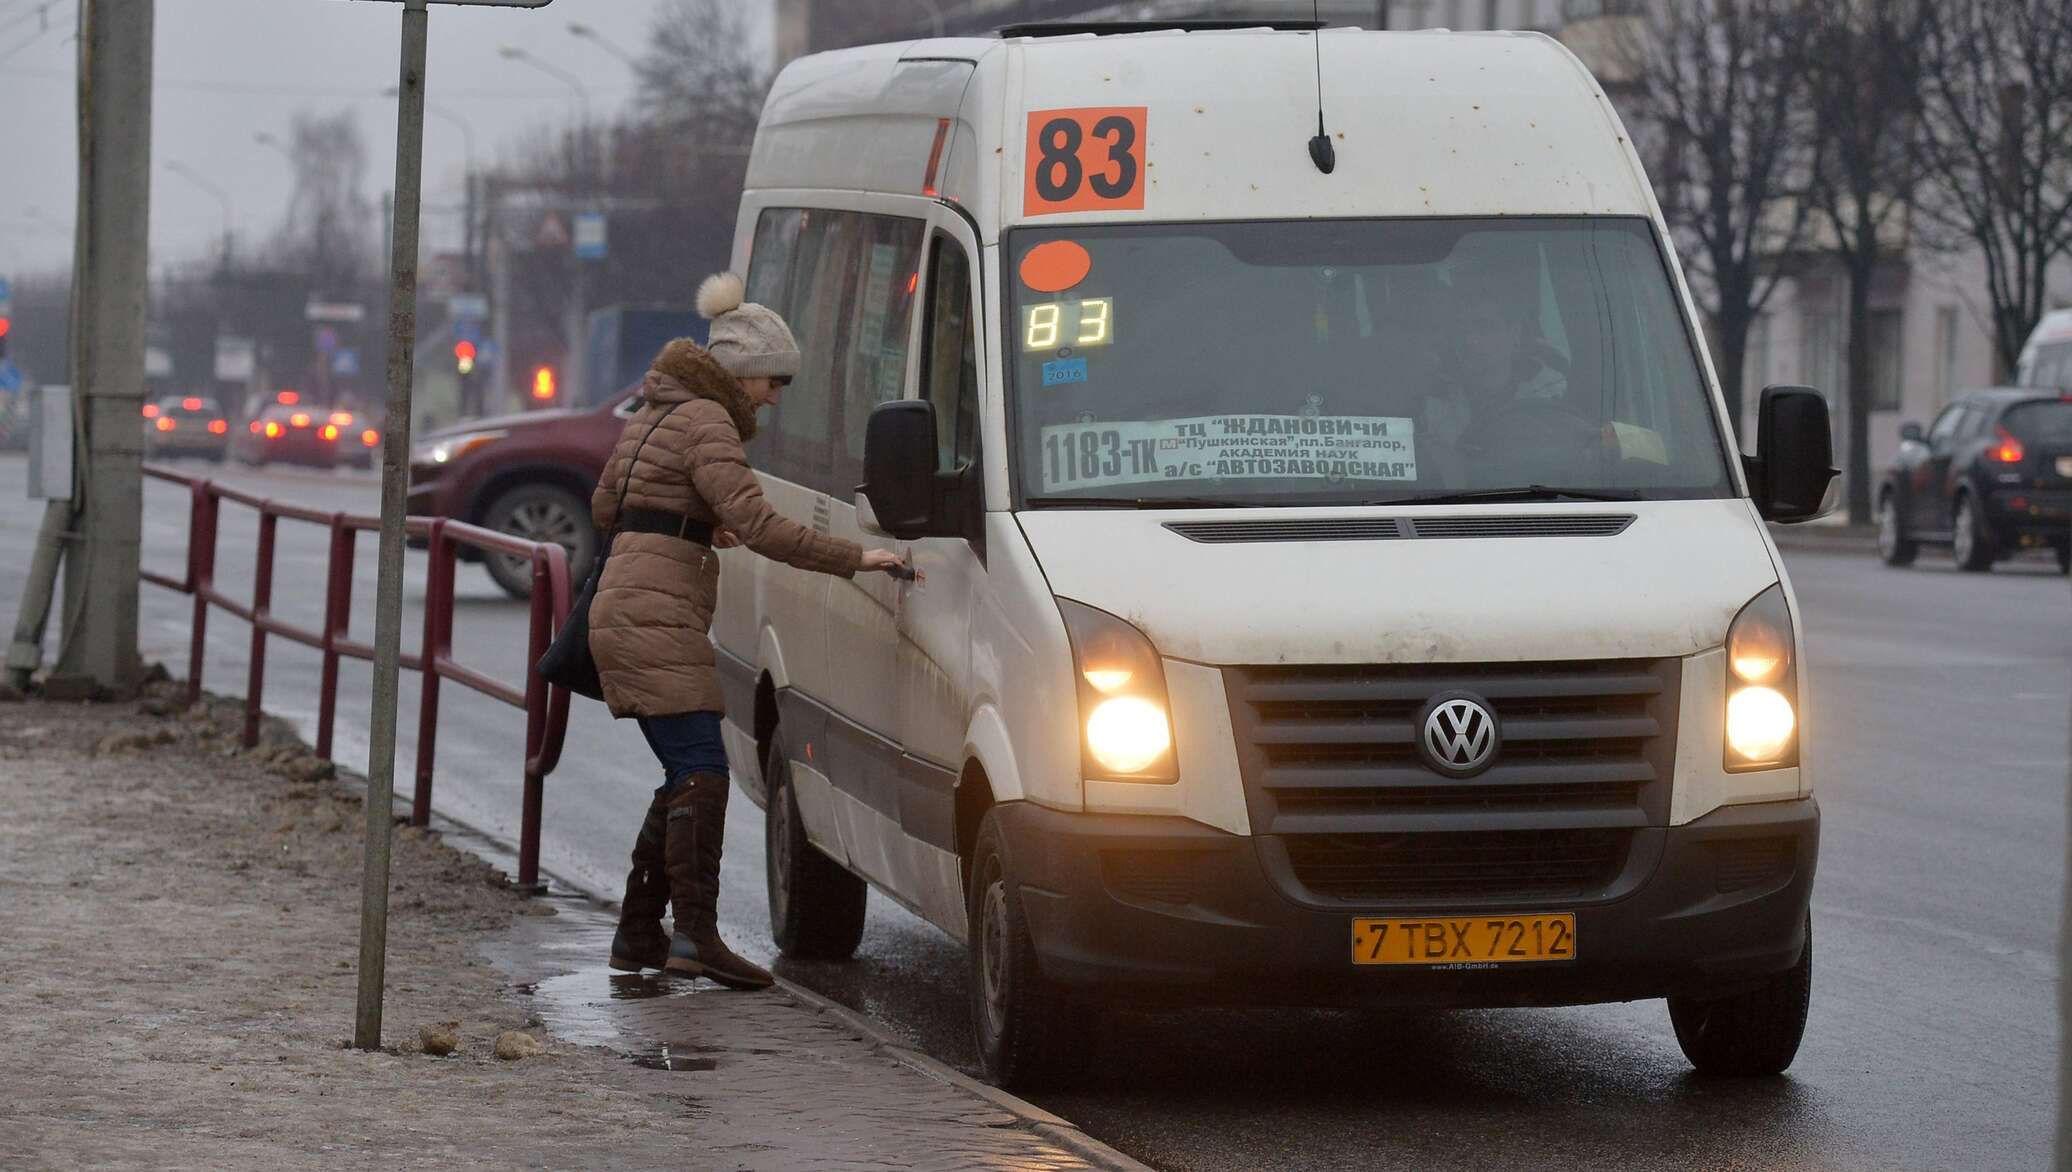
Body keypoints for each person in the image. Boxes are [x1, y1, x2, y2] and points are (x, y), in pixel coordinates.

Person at [590, 272, 905, 989]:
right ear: (744, 373)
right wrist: (854, 557)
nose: (774, 397)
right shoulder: (707, 421)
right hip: (655, 617)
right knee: (701, 767)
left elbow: (606, 505)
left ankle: (640, 933)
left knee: (686, 770)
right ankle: (694, 938)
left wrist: (692, 524)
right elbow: (764, 525)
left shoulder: (653, 412)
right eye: (773, 381)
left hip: (629, 606)